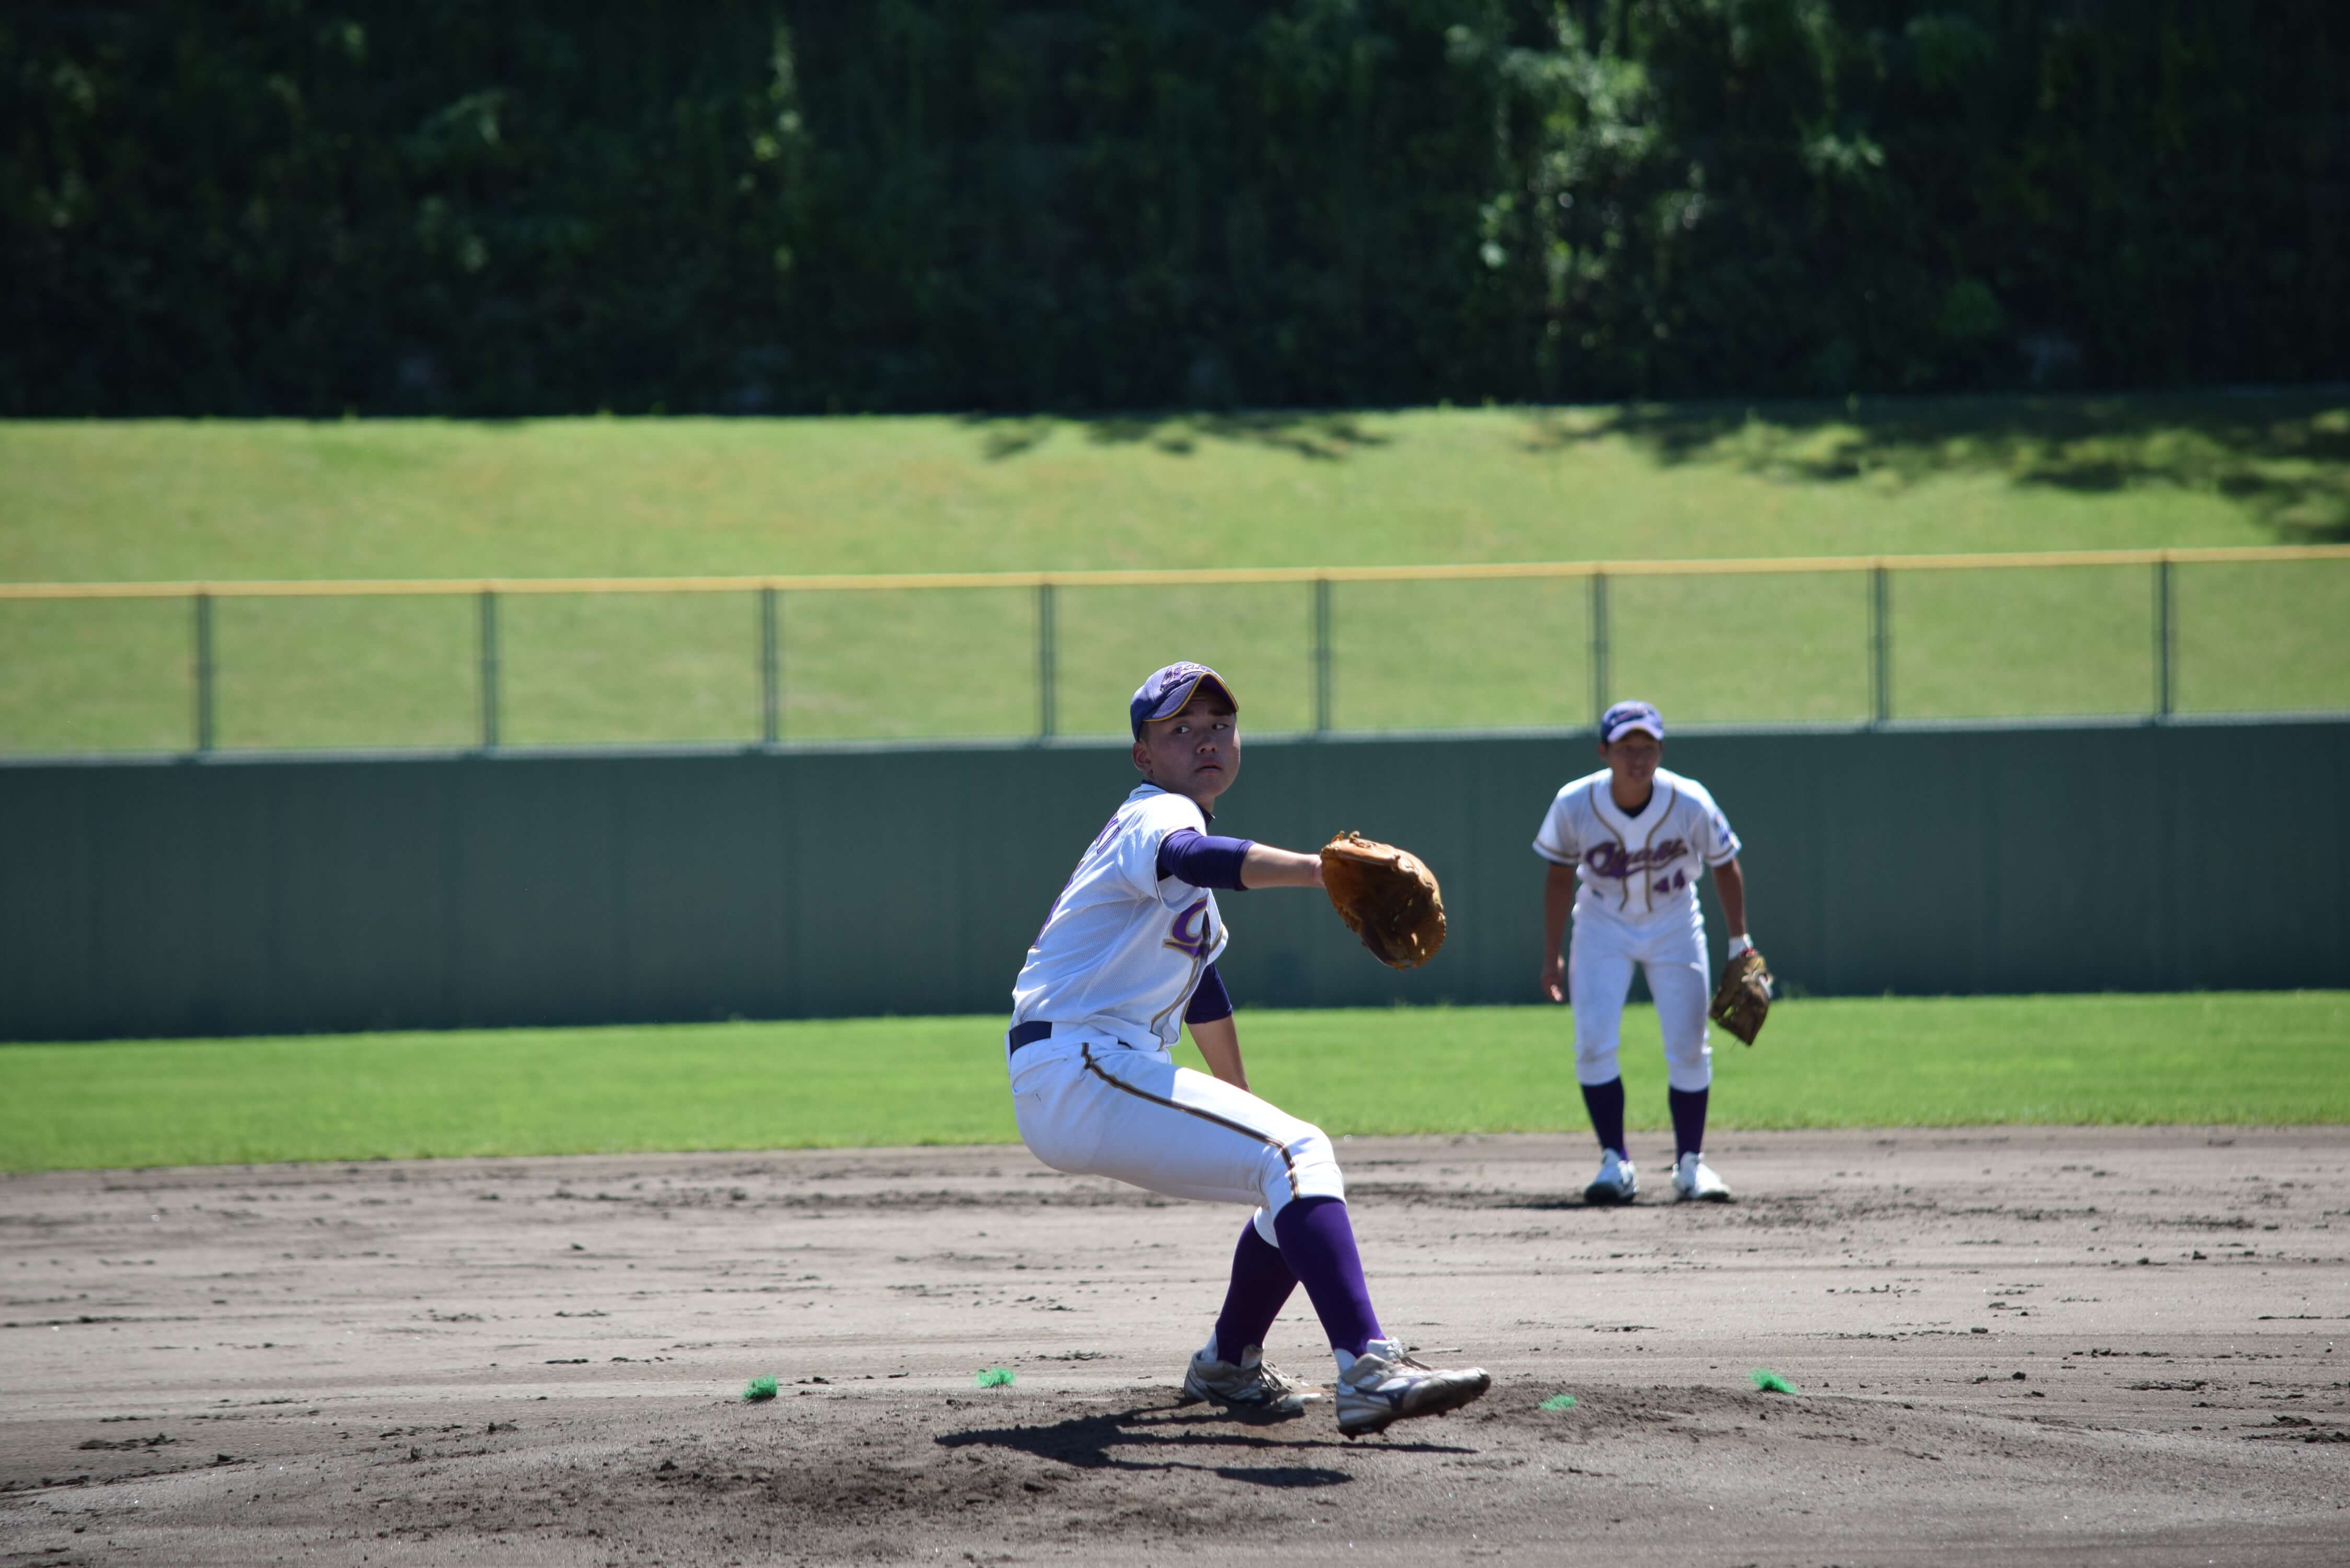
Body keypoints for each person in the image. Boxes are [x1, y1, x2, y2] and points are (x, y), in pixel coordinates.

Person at [1007, 660, 1491, 1436]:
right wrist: (1316, 870)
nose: (1206, 740)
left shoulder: (1176, 873)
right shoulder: (1156, 813)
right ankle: (1369, 1370)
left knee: (1282, 1167)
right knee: (1298, 1153)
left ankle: (1228, 1362)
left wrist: (1242, 1101)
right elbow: (1190, 856)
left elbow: (1201, 988)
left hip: (1089, 1070)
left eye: (1220, 726)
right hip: (1080, 1064)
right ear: (1143, 755)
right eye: (1181, 729)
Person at [1534, 699, 1752, 1204]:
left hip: (1676, 923)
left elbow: (1725, 863)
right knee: (1593, 1042)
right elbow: (1558, 878)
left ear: (1661, 750)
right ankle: (1615, 1162)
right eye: (1626, 748)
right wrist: (1552, 954)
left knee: (1690, 1044)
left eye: (1647, 747)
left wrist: (1740, 941)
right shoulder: (1574, 802)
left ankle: (1691, 1165)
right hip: (1601, 925)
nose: (1638, 758)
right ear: (1604, 751)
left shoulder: (1689, 800)